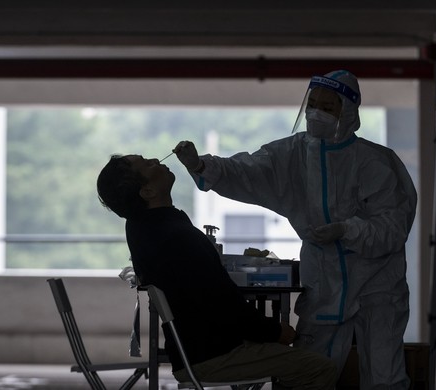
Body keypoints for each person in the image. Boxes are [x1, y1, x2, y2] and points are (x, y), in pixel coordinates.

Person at [174, 69, 417, 389]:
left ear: (348, 113)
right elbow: (246, 171)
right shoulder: (290, 155)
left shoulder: (376, 163)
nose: (316, 113)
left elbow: (393, 227)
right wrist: (202, 166)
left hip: (378, 285)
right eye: (312, 104)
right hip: (324, 284)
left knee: (384, 376)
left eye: (328, 107)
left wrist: (348, 230)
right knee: (307, 374)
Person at [96, 154, 338, 389]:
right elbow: (222, 304)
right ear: (147, 191)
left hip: (196, 350)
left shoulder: (142, 227)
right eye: (148, 164)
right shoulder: (176, 236)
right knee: (320, 368)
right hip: (213, 355)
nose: (157, 161)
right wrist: (275, 331)